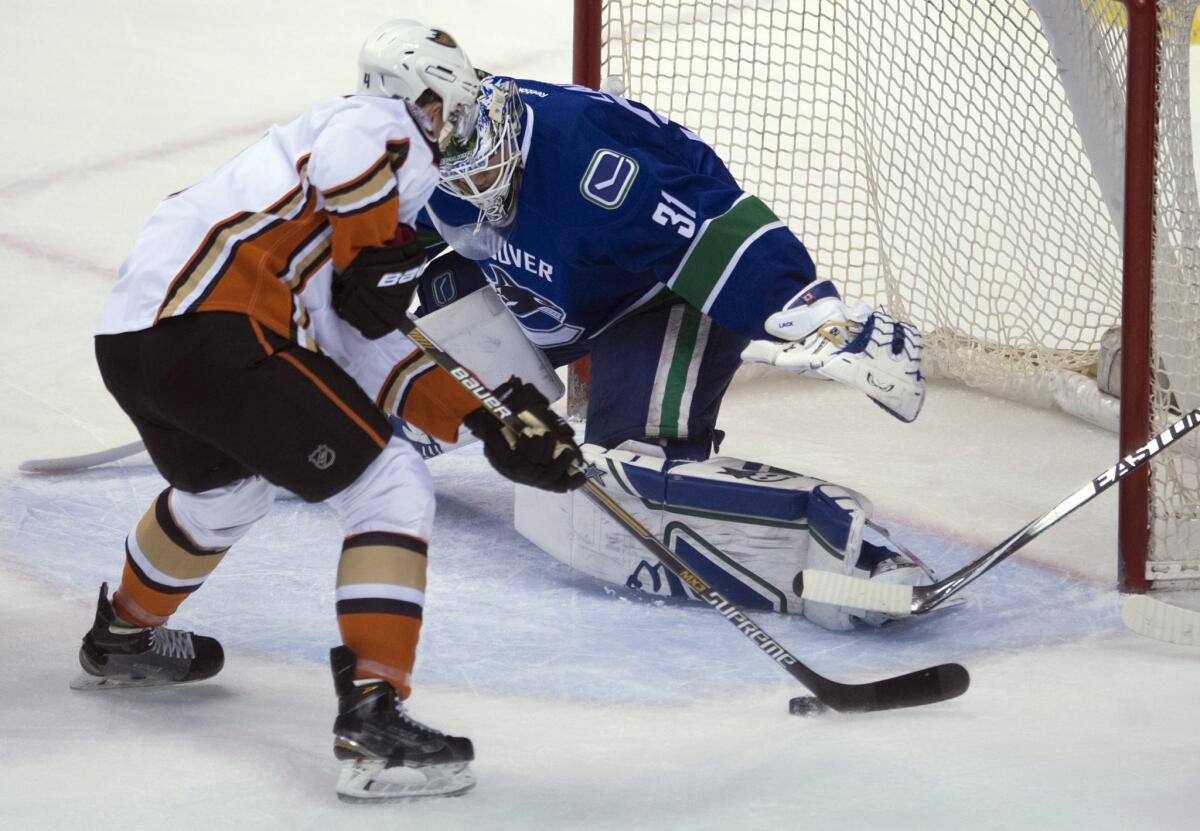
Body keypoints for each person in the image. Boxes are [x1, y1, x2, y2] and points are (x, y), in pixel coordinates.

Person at [73, 24, 583, 803]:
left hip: (137, 340)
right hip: (217, 321)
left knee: (226, 491)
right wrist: (366, 251)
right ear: (422, 98)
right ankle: (374, 720)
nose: (455, 126)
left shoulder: (325, 217)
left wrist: (487, 421)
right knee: (390, 488)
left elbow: (363, 344)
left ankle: (124, 631)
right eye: (450, 107)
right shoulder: (375, 130)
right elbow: (356, 157)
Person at [398, 75, 932, 631]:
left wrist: (816, 315)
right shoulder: (417, 153)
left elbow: (709, 230)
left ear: (494, 114)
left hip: (659, 296)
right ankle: (325, 425)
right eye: (457, 178)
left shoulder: (587, 163)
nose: (479, 184)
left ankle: (862, 557)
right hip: (550, 286)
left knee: (632, 476)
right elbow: (378, 234)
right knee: (421, 325)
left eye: (484, 164)